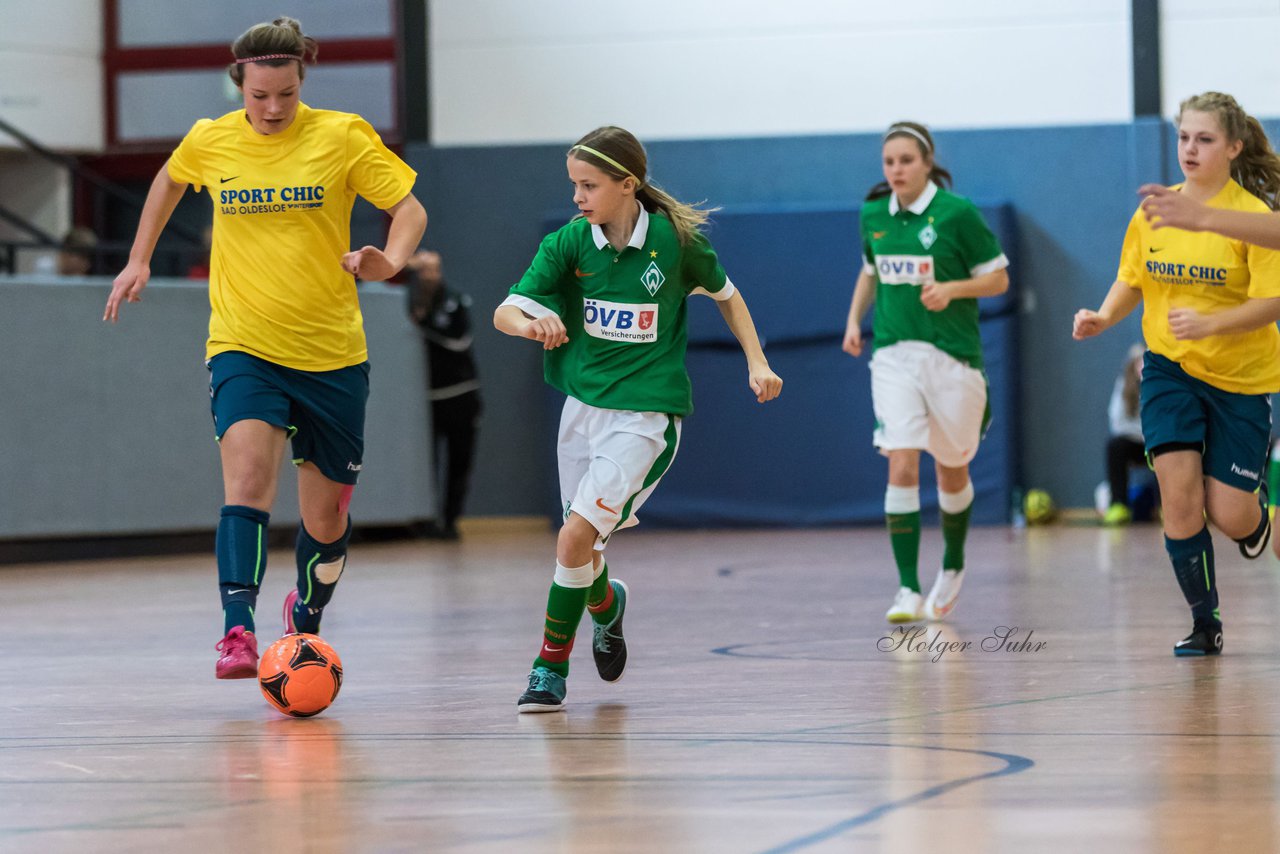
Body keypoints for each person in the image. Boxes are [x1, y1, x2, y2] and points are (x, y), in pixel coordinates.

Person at [103, 16, 427, 679]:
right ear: (238, 87)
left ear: (301, 80)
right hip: (244, 344)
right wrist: (139, 258)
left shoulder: (341, 135)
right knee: (247, 480)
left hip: (332, 353)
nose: (273, 108)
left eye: (285, 94)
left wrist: (389, 261)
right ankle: (237, 631)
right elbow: (168, 181)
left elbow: (410, 209)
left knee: (327, 518)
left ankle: (305, 616)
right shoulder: (211, 141)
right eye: (259, 96)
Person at [494, 126, 783, 713]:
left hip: (645, 419)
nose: (578, 196)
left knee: (572, 536)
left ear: (628, 184)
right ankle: (607, 604)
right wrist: (531, 325)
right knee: (584, 551)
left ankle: (548, 668)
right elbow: (505, 311)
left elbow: (728, 294)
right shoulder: (571, 242)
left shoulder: (675, 245)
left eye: (589, 185)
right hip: (582, 411)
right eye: (573, 184)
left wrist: (757, 360)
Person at [1073, 91, 1280, 656]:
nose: (1190, 148)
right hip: (1169, 368)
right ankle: (1204, 622)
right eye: (1184, 137)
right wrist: (1104, 314)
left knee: (1230, 515)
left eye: (1204, 138)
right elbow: (1133, 277)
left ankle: (1258, 521)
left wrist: (1213, 325)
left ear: (1235, 146)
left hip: (1240, 377)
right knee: (1178, 493)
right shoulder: (1154, 210)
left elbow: (1272, 303)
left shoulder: (1255, 219)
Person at [842, 121, 1010, 625]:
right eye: (889, 161)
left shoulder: (957, 215)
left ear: (928, 162)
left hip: (953, 359)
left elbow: (999, 278)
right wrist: (854, 320)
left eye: (906, 161)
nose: (896, 170)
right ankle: (907, 588)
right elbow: (870, 271)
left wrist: (952, 290)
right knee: (901, 460)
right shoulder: (873, 214)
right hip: (894, 354)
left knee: (952, 466)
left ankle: (953, 565)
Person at [405, 249, 481, 539]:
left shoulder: (454, 301)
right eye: (424, 270)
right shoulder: (407, 303)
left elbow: (459, 340)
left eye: (435, 269)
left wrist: (423, 326)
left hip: (461, 394)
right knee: (425, 463)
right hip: (425, 399)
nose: (431, 276)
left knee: (459, 461)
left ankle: (451, 521)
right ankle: (424, 519)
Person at [1101, 344, 1148, 526]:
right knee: (1115, 446)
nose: (1142, 366)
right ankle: (1118, 505)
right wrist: (1140, 433)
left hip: (1155, 442)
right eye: (1138, 362)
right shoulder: (1123, 386)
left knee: (1168, 448)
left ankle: (1169, 509)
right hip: (1134, 443)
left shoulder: (1160, 385)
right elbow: (1116, 421)